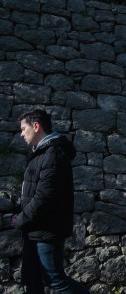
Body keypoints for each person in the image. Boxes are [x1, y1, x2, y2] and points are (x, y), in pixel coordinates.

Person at [12, 109, 89, 294]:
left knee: (55, 280)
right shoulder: (40, 153)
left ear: (36, 126)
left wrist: (20, 219)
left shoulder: (53, 154)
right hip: (35, 228)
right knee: (33, 280)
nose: (21, 134)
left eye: (24, 129)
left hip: (47, 231)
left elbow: (44, 197)